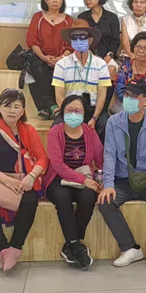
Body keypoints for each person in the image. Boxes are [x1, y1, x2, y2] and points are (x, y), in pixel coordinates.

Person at [98, 80, 146, 268]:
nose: (128, 99)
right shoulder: (114, 122)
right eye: (126, 95)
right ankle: (130, 248)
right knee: (105, 202)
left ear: (145, 101)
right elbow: (109, 155)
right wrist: (108, 184)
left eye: (133, 96)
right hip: (123, 180)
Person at [0, 88, 48, 273]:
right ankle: (2, 248)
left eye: (17, 106)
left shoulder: (29, 130)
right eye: (7, 105)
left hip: (23, 179)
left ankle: (15, 247)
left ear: (23, 111)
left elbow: (42, 158)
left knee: (30, 201)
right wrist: (6, 181)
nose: (12, 110)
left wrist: (32, 176)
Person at [44, 94, 104, 271]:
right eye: (69, 110)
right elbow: (57, 165)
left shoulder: (90, 132)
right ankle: (77, 246)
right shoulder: (55, 132)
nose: (73, 114)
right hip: (57, 177)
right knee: (63, 199)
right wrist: (83, 180)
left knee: (88, 197)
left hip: (83, 175)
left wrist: (104, 181)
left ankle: (71, 244)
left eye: (78, 111)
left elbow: (101, 159)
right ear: (63, 112)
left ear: (84, 113)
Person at [51, 19, 111, 134]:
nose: (78, 40)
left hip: (93, 110)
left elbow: (102, 96)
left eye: (83, 37)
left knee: (105, 124)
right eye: (74, 37)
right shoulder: (61, 64)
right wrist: (69, 114)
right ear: (70, 41)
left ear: (90, 40)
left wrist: (94, 118)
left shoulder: (101, 64)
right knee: (56, 128)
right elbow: (59, 96)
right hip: (70, 110)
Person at [25, 0, 72, 119]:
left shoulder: (68, 20)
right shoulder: (38, 17)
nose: (54, 0)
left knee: (61, 70)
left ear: (62, 0)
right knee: (37, 69)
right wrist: (43, 57)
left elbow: (71, 45)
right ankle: (54, 107)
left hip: (63, 58)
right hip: (41, 57)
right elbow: (32, 41)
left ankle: (46, 108)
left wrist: (61, 58)